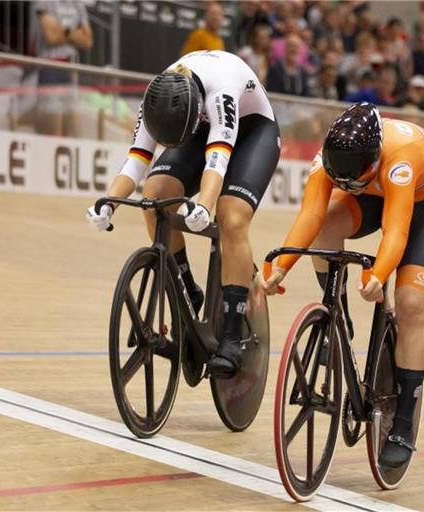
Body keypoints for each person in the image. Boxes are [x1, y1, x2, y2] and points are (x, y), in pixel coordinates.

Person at [262, 102, 424, 469]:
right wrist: (281, 267)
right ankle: (338, 320)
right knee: (325, 228)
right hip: (371, 195)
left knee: (411, 302)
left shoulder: (400, 157)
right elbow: (311, 215)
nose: (345, 184)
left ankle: (403, 422)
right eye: (341, 179)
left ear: (373, 160)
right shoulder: (328, 159)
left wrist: (379, 275)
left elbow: (396, 231)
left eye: (354, 179)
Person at [87, 51, 280, 379]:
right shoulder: (157, 96)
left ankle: (231, 335)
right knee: (155, 197)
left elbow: (217, 159)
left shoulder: (222, 91)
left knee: (231, 217)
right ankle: (187, 286)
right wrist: (108, 202)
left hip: (252, 133)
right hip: (199, 129)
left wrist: (205, 203)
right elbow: (137, 158)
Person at [32, 1, 92, 136]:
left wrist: (63, 31)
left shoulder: (78, 4)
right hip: (51, 67)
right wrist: (75, 33)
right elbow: (51, 37)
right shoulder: (44, 3)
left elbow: (87, 40)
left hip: (72, 69)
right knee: (53, 130)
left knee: (72, 129)